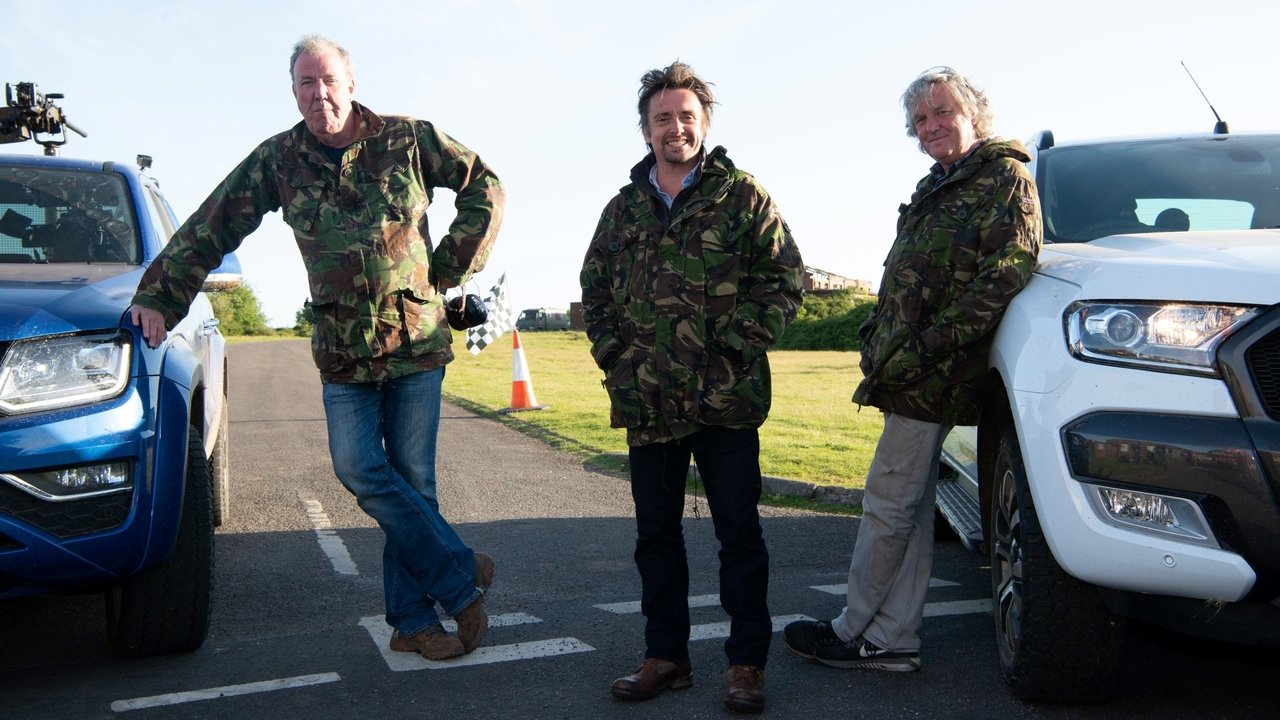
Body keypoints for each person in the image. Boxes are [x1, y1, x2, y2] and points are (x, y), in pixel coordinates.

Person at [128, 35, 504, 661]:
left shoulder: (409, 139)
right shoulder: (278, 160)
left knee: (414, 482)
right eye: (307, 83)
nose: (319, 93)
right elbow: (212, 223)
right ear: (294, 92)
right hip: (343, 352)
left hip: (415, 340)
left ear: (351, 85)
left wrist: (447, 268)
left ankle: (413, 621)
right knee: (358, 469)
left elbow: (484, 185)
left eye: (329, 80)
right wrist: (159, 296)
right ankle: (460, 572)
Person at [784, 67, 1041, 672]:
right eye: (920, 119)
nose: (930, 126)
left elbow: (1008, 271)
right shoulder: (941, 184)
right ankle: (892, 637)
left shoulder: (1003, 178)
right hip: (911, 368)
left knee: (888, 503)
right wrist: (882, 340)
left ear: (973, 114)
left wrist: (930, 344)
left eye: (942, 112)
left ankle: (854, 630)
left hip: (935, 372)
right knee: (911, 507)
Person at [579, 60, 804, 714]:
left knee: (739, 534)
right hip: (648, 401)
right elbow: (594, 290)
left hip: (726, 400)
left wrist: (733, 350)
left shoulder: (743, 197)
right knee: (656, 536)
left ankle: (746, 664)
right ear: (646, 129)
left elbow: (783, 281)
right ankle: (666, 657)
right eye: (662, 118)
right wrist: (616, 359)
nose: (674, 127)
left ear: (704, 123)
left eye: (686, 116)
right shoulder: (622, 210)